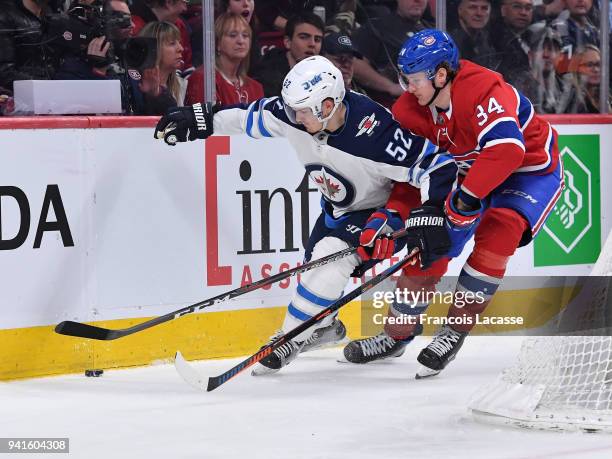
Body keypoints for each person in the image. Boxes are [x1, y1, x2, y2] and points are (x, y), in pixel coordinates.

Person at [153, 55, 458, 375]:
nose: (291, 117)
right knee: (318, 264)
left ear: (328, 106)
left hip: (378, 214)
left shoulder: (375, 133)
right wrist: (202, 119)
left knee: (332, 257)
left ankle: (289, 337)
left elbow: (437, 167)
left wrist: (430, 213)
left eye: (300, 110)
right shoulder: (295, 114)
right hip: (338, 210)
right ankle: (324, 328)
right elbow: (248, 117)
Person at [343, 29, 563, 379]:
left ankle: (454, 332)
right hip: (469, 174)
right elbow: (410, 176)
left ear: (441, 75)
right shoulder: (409, 110)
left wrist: (463, 200)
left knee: (498, 233)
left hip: (527, 172)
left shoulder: (483, 89)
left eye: (413, 80)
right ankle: (396, 334)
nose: (407, 88)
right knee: (428, 243)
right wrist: (394, 216)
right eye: (403, 79)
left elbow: (507, 150)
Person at [351, 0, 432, 108]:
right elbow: (356, 65)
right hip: (389, 108)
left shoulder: (431, 31)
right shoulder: (377, 27)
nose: (417, 1)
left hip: (427, 106)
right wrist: (391, 87)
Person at [185, 13, 263, 107]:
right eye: (233, 35)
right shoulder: (204, 80)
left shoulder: (256, 88)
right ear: (217, 43)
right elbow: (204, 120)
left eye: (245, 35)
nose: (241, 41)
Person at [251, 11, 324, 97]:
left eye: (317, 39)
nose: (312, 44)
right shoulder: (268, 76)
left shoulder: (325, 74)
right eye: (304, 37)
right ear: (287, 42)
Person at [0, 0, 61, 90]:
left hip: (52, 93)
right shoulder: (5, 14)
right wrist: (46, 87)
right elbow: (5, 73)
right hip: (19, 96)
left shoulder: (51, 14)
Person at [131, 21, 185, 115]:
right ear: (153, 49)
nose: (180, 48)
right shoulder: (135, 85)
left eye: (179, 42)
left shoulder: (179, 84)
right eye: (172, 43)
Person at [490, 0, 538, 101]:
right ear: (503, 10)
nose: (523, 12)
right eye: (517, 7)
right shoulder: (492, 41)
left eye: (528, 8)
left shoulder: (535, 38)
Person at [131, 0, 193, 70]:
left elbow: (187, 65)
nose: (185, 8)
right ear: (169, 2)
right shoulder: (133, 27)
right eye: (184, 1)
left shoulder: (179, 25)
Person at [448, 0, 497, 69]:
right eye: (472, 7)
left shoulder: (493, 40)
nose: (479, 13)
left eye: (484, 8)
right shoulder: (448, 42)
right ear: (460, 10)